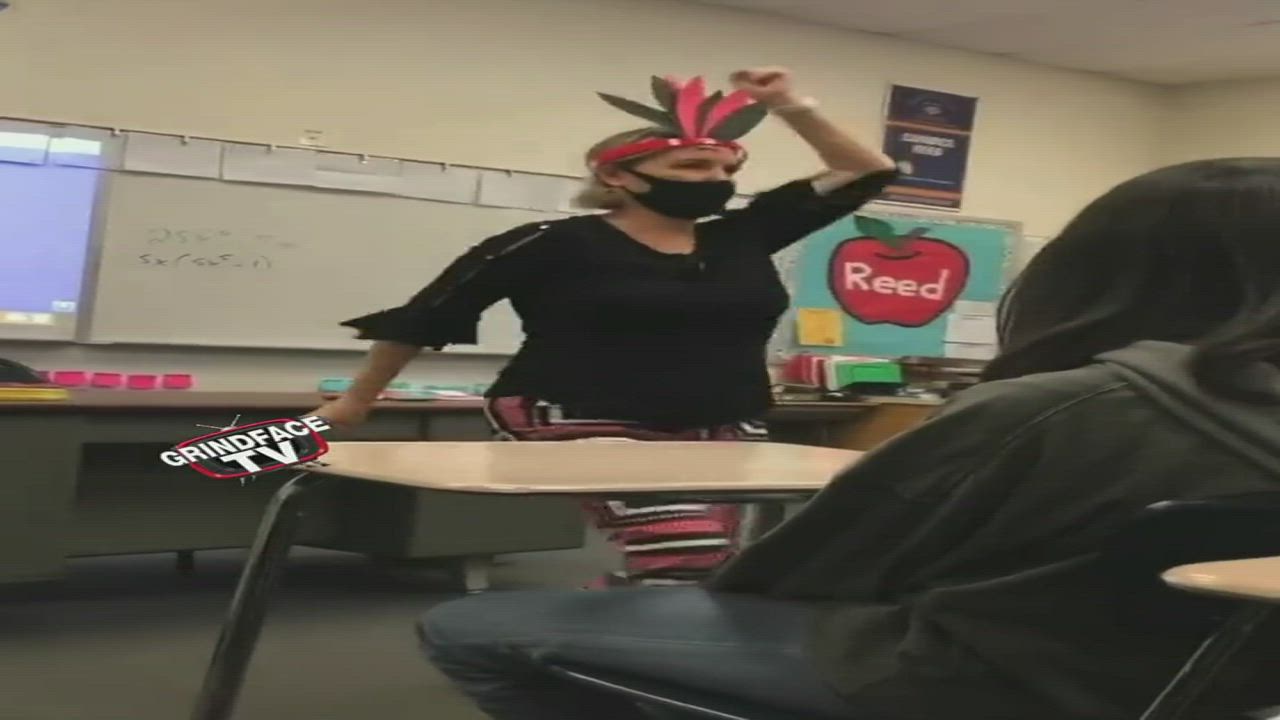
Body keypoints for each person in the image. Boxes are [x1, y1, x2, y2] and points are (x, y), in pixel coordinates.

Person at [416, 157, 1280, 720]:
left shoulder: (1051, 410)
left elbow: (805, 574)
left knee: (475, 626)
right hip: (1218, 685)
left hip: (972, 681)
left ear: (1090, 270)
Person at [312, 67, 898, 587]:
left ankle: (608, 627)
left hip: (722, 422)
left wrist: (789, 105)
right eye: (692, 165)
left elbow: (866, 170)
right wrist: (357, 402)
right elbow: (426, 317)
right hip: (576, 414)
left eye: (727, 166)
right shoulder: (548, 243)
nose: (715, 177)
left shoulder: (744, 235)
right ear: (618, 176)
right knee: (689, 554)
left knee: (724, 567)